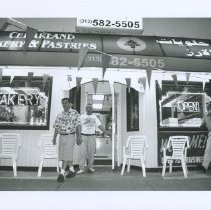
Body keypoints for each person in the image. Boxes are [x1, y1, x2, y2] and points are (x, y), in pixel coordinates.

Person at [53, 98, 82, 182]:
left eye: (66, 103)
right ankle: (72, 170)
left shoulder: (75, 113)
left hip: (70, 135)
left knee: (67, 153)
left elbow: (78, 126)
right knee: (63, 154)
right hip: (61, 136)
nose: (64, 105)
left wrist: (79, 136)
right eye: (63, 103)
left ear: (70, 104)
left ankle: (62, 173)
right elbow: (56, 127)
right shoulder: (60, 114)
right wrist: (54, 137)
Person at [77, 104, 108, 174]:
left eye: (90, 108)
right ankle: (81, 168)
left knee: (91, 153)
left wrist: (106, 132)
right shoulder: (82, 117)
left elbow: (99, 126)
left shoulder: (95, 117)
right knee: (82, 153)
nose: (88, 109)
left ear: (92, 109)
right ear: (85, 109)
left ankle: (90, 167)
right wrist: (79, 136)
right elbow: (79, 127)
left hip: (92, 137)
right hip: (83, 136)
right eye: (87, 108)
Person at [200, 103, 211, 172]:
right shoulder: (206, 115)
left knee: (208, 150)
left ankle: (204, 166)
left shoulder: (206, 115)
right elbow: (202, 125)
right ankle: (204, 166)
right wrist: (203, 126)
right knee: (208, 150)